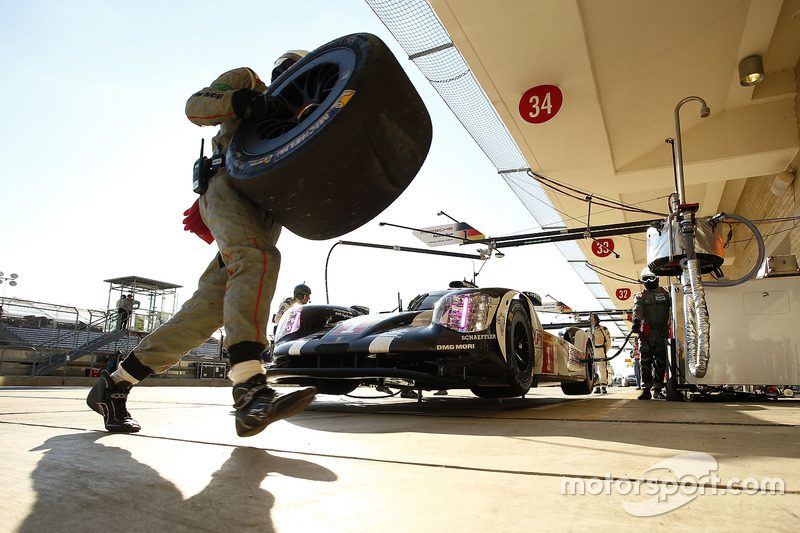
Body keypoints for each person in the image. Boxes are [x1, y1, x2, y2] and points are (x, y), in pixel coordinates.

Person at [87, 52, 316, 437]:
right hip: (228, 184)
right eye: (290, 68)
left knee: (208, 309)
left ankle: (114, 384)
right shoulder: (247, 80)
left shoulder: (314, 115)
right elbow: (197, 105)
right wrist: (242, 102)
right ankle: (249, 388)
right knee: (256, 260)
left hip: (268, 206)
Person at [631, 267, 671, 400]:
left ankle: (658, 388)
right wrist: (636, 322)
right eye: (645, 279)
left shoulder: (667, 293)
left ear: (657, 278)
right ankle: (646, 389)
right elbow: (638, 309)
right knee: (645, 361)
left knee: (661, 361)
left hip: (662, 332)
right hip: (646, 333)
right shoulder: (640, 296)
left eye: (651, 278)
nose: (649, 281)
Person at [589, 313, 611, 394]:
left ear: (597, 320)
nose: (593, 321)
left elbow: (608, 342)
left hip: (601, 350)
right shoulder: (588, 331)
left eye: (594, 320)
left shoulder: (603, 329)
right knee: (593, 369)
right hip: (592, 352)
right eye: (591, 320)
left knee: (602, 369)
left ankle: (604, 386)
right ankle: (597, 386)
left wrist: (604, 351)